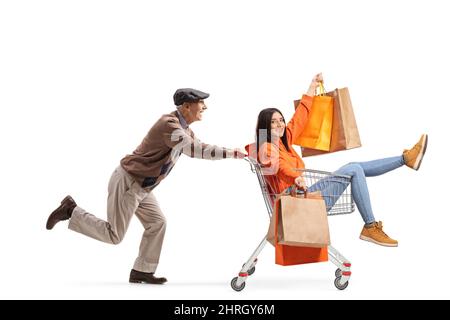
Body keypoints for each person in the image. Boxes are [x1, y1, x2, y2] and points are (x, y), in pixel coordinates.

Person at [46, 88, 247, 284]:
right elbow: (195, 150)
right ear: (186, 106)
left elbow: (200, 145)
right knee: (114, 235)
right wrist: (233, 153)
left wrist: (232, 152)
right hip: (128, 182)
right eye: (201, 103)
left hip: (142, 186)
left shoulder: (184, 129)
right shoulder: (170, 125)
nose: (205, 107)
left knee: (157, 223)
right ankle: (71, 210)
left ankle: (142, 271)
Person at [255, 73, 428, 247]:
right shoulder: (266, 148)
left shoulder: (285, 140)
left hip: (301, 194)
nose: (280, 124)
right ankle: (370, 225)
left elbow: (300, 117)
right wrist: (295, 177)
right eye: (273, 122)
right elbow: (279, 167)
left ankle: (406, 159)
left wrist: (312, 87)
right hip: (294, 204)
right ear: (265, 128)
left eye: (281, 120)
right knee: (354, 169)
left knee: (354, 167)